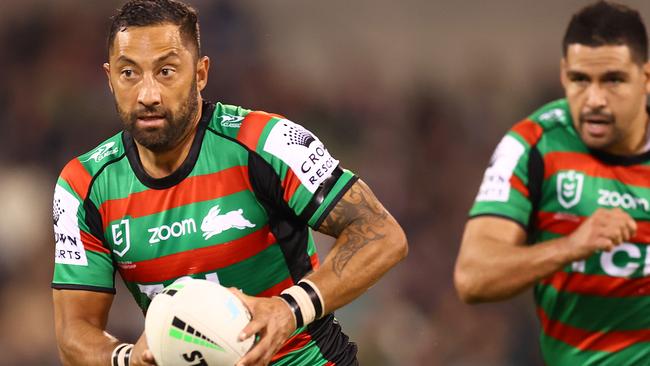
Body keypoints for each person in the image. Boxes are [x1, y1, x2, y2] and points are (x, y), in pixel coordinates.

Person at [51, 1, 408, 365]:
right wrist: (126, 357)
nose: (148, 95)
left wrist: (290, 309)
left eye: (167, 71)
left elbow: (382, 234)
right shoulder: (82, 187)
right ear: (109, 78)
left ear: (201, 73)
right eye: (129, 74)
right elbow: (73, 333)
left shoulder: (268, 143)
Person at [454, 1, 650, 365]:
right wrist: (573, 245)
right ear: (563, 74)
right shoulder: (533, 145)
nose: (594, 100)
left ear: (646, 77)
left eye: (613, 80)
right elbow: (473, 276)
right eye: (580, 80)